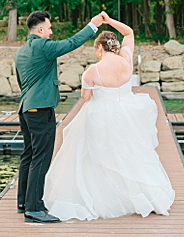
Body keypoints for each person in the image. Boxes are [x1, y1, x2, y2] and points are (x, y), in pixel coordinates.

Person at [44, 13, 175, 220]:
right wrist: (109, 21)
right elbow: (129, 32)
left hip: (100, 114)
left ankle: (104, 198)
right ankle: (139, 197)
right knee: (128, 153)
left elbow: (86, 97)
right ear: (113, 45)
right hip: (126, 112)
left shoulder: (92, 71)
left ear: (99, 48)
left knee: (96, 157)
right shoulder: (126, 58)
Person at [13, 9, 102, 223]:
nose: (51, 32)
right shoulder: (42, 46)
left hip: (26, 109)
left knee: (29, 155)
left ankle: (24, 201)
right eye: (49, 28)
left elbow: (21, 82)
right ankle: (34, 209)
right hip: (40, 109)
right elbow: (71, 43)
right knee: (40, 158)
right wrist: (93, 25)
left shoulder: (22, 51)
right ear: (41, 29)